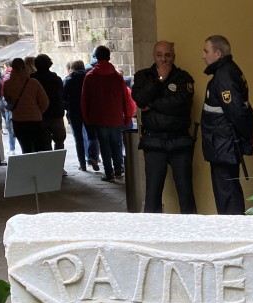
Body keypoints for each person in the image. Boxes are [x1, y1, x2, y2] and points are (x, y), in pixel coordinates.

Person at [132, 41, 196, 214]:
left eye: (167, 55)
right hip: (153, 141)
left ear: (173, 57)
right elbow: (139, 99)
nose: (163, 59)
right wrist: (160, 80)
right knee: (152, 194)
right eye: (159, 55)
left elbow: (180, 106)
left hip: (180, 141)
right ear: (154, 56)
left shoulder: (184, 78)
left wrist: (151, 103)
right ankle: (152, 236)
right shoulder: (143, 76)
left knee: (186, 193)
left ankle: (193, 234)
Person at [201, 35, 253, 215]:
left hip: (224, 146)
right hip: (222, 145)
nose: (203, 55)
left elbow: (236, 112)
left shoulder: (224, 76)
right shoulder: (227, 71)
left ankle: (232, 234)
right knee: (227, 191)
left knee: (227, 195)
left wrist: (246, 136)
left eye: (206, 51)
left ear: (218, 53)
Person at [81, 45, 129, 182]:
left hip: (99, 117)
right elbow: (125, 97)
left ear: (96, 57)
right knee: (117, 143)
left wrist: (87, 118)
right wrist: (127, 115)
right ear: (109, 57)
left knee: (104, 145)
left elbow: (85, 100)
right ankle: (119, 169)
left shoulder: (90, 77)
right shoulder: (117, 77)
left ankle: (109, 173)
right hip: (115, 116)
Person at [2, 57, 49, 154]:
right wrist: (37, 112)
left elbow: (8, 100)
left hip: (18, 121)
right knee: (39, 148)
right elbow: (45, 102)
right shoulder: (33, 83)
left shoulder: (7, 84)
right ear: (24, 67)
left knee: (26, 149)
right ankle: (40, 168)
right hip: (35, 120)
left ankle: (29, 168)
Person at [63, 59, 99, 171]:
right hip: (89, 110)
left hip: (74, 112)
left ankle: (82, 164)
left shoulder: (69, 80)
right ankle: (93, 157)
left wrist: (68, 108)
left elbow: (63, 98)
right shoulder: (90, 78)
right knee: (92, 135)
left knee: (78, 138)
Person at [31, 54, 66, 152]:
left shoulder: (32, 79)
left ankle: (49, 163)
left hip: (40, 114)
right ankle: (58, 163)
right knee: (59, 140)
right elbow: (61, 95)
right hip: (56, 113)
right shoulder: (56, 79)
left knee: (45, 142)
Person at [0, 60, 17, 155]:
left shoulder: (5, 78)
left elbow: (3, 93)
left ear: (7, 66)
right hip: (20, 107)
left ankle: (12, 148)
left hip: (9, 107)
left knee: (10, 129)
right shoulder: (22, 77)